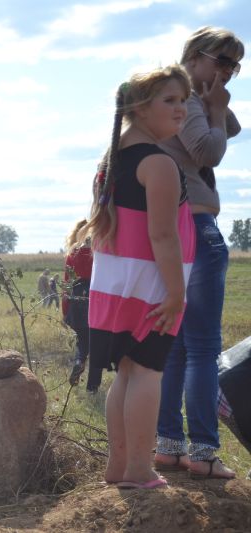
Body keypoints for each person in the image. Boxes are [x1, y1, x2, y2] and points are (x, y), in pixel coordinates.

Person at [85, 65, 194, 489]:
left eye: (184, 100)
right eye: (170, 100)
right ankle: (138, 470)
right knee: (148, 374)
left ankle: (119, 469)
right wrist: (176, 293)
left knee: (127, 374)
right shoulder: (159, 163)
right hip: (152, 287)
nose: (181, 108)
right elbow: (163, 235)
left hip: (115, 286)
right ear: (140, 108)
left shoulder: (111, 160)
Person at [154, 26, 244, 480]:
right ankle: (205, 453)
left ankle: (169, 446)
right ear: (193, 56)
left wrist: (218, 102)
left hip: (174, 227)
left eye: (236, 65)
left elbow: (232, 127)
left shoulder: (178, 99)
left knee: (176, 349)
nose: (229, 71)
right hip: (198, 226)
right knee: (204, 350)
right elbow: (210, 149)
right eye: (222, 60)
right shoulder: (187, 99)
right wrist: (212, 104)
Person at [63, 219, 102, 394]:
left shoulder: (72, 254)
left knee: (82, 340)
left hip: (76, 300)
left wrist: (65, 311)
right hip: (95, 299)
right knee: (98, 345)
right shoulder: (99, 253)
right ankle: (92, 388)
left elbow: (66, 284)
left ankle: (79, 361)